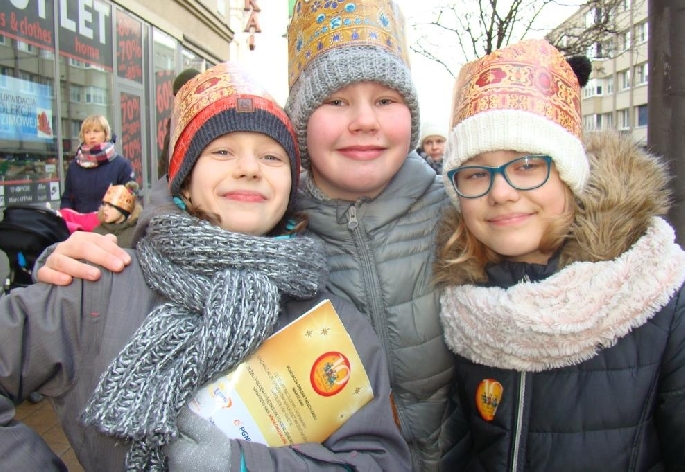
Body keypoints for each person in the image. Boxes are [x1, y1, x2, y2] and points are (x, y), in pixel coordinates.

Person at [31, 0, 685, 469]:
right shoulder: (264, 224)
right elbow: (181, 232)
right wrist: (79, 257)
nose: (363, 121)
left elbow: (566, 257)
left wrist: (678, 287)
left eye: (385, 100)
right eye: (335, 101)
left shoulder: (463, 214)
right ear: (301, 124)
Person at [0, 62, 410, 472]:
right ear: (185, 178)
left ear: (290, 186)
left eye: (271, 156)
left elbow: (380, 460)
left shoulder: (332, 324)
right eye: (222, 151)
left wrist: (243, 465)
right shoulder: (96, 286)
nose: (249, 168)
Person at [435, 39, 685, 470]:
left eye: (528, 165)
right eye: (475, 173)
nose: (501, 192)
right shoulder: (461, 306)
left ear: (569, 176)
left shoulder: (663, 301)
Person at [60, 115, 135, 213]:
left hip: (110, 222)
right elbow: (67, 199)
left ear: (105, 134)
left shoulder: (121, 165)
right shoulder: (74, 167)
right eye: (87, 132)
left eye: (96, 131)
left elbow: (129, 200)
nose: (92, 136)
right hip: (80, 221)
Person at [158, 68, 201, 179]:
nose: (180, 100)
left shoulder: (210, 117)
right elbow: (166, 159)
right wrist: (164, 183)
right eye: (177, 96)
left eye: (183, 94)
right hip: (175, 183)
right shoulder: (175, 120)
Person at [93, 181, 142, 247]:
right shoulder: (97, 232)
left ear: (123, 210)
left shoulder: (136, 234)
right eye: (105, 204)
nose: (105, 209)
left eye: (111, 206)